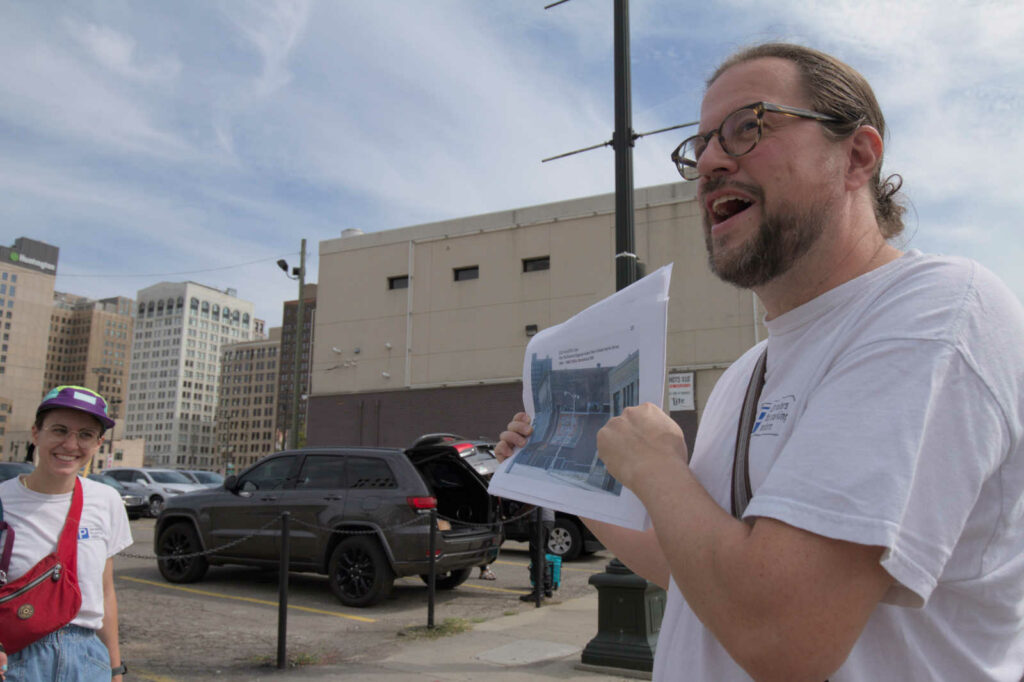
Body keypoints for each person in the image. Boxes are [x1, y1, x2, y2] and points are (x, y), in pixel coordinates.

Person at [497, 43, 1024, 681]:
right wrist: (574, 477)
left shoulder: (937, 310)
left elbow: (782, 633)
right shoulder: (748, 372)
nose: (712, 161)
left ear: (856, 156)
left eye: (749, 127)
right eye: (699, 148)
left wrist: (658, 467)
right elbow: (692, 571)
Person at [0, 386, 132, 681]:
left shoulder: (106, 500)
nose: (71, 444)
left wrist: (114, 668)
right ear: (36, 433)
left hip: (87, 658)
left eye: (85, 434)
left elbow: (105, 591)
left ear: (98, 443)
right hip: (16, 656)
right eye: (59, 430)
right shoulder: (2, 500)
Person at [518, 506, 555, 601]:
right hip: (550, 519)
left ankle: (539, 591)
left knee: (537, 556)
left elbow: (530, 504)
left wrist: (519, 513)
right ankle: (547, 587)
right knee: (541, 554)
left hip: (539, 520)